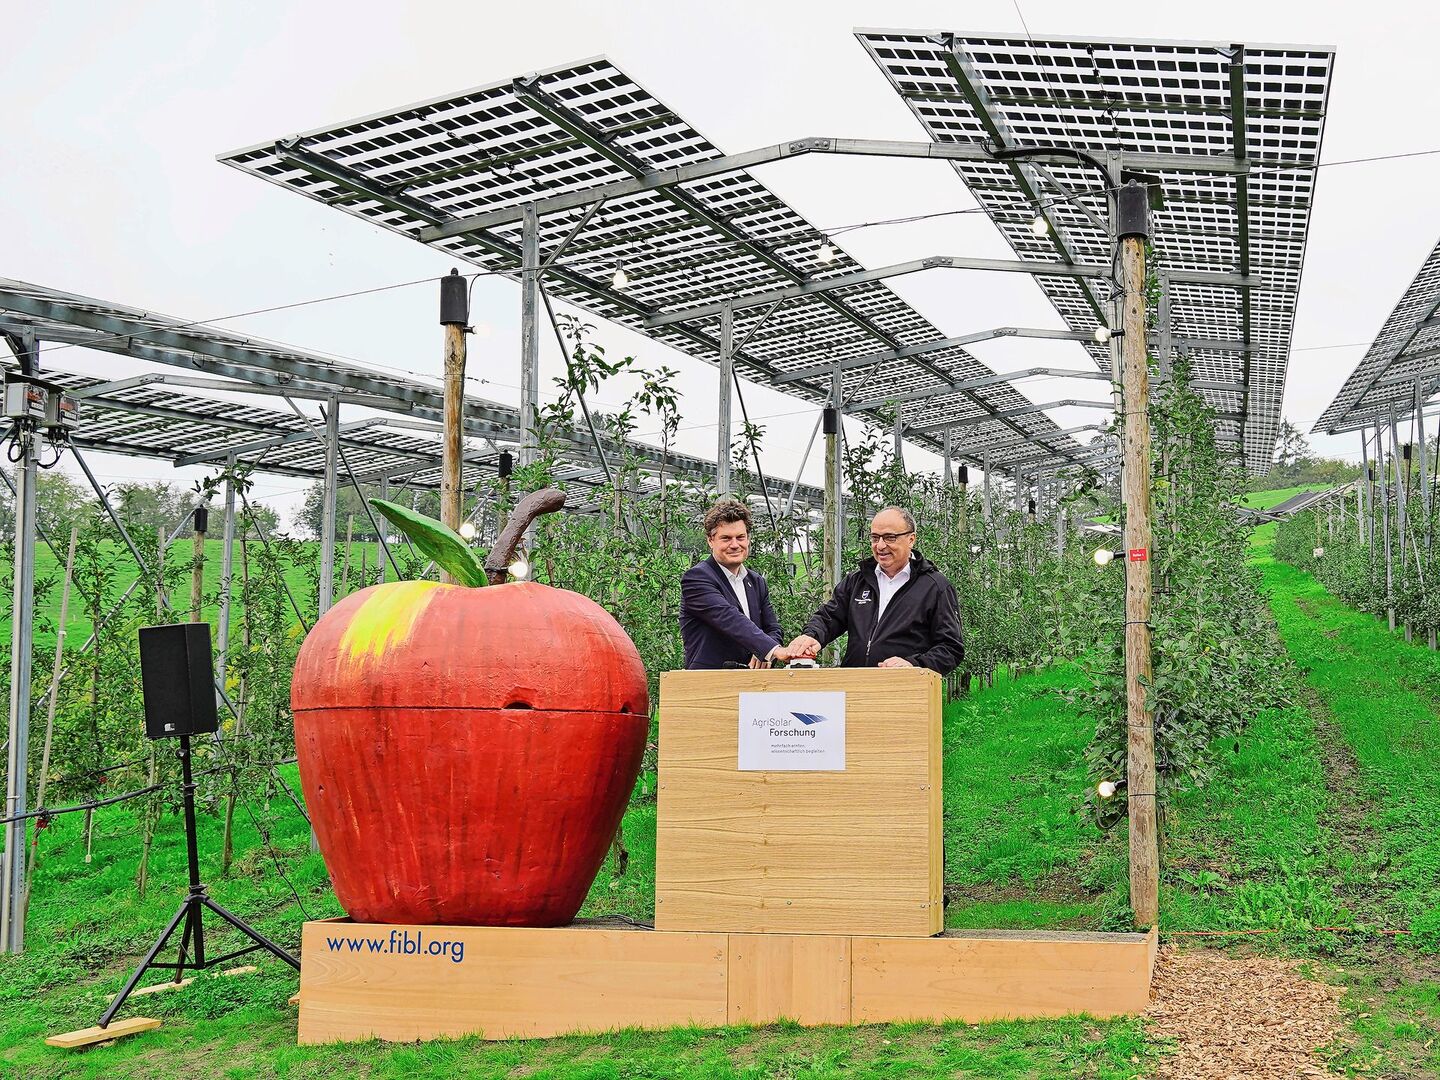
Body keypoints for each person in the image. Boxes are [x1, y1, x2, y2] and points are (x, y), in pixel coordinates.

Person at [786, 505, 963, 674]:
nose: (880, 546)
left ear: (911, 539)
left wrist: (914, 664)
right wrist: (812, 636)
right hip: (855, 685)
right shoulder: (857, 581)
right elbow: (830, 617)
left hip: (905, 689)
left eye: (889, 537)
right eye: (875, 538)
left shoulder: (935, 587)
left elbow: (950, 648)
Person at [680, 499, 795, 670]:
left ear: (748, 539)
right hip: (708, 680)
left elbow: (773, 628)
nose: (735, 545)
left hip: (752, 682)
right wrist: (771, 649)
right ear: (710, 540)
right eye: (726, 538)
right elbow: (728, 618)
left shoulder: (756, 582)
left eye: (740, 537)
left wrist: (765, 653)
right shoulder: (697, 578)